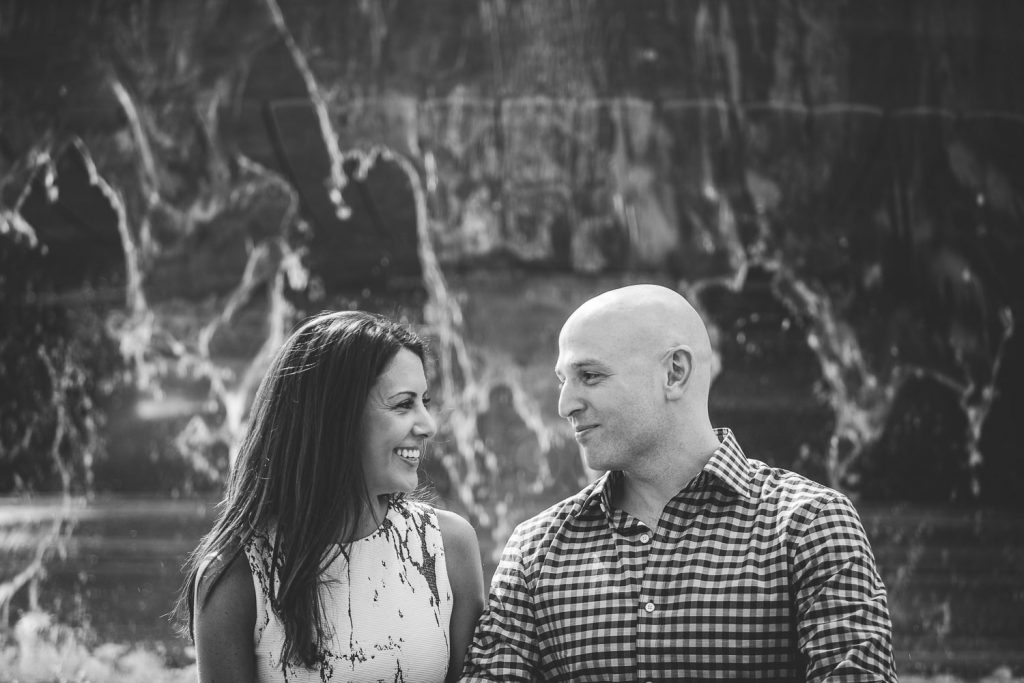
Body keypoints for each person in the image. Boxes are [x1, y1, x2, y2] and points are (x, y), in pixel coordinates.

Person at [461, 284, 896, 682]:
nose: (565, 404)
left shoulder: (810, 525)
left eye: (589, 376)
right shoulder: (535, 549)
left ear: (674, 373)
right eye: (563, 381)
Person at [176, 310, 484, 683]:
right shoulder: (237, 575)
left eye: (425, 401)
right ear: (337, 417)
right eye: (403, 404)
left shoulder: (448, 547)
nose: (428, 426)